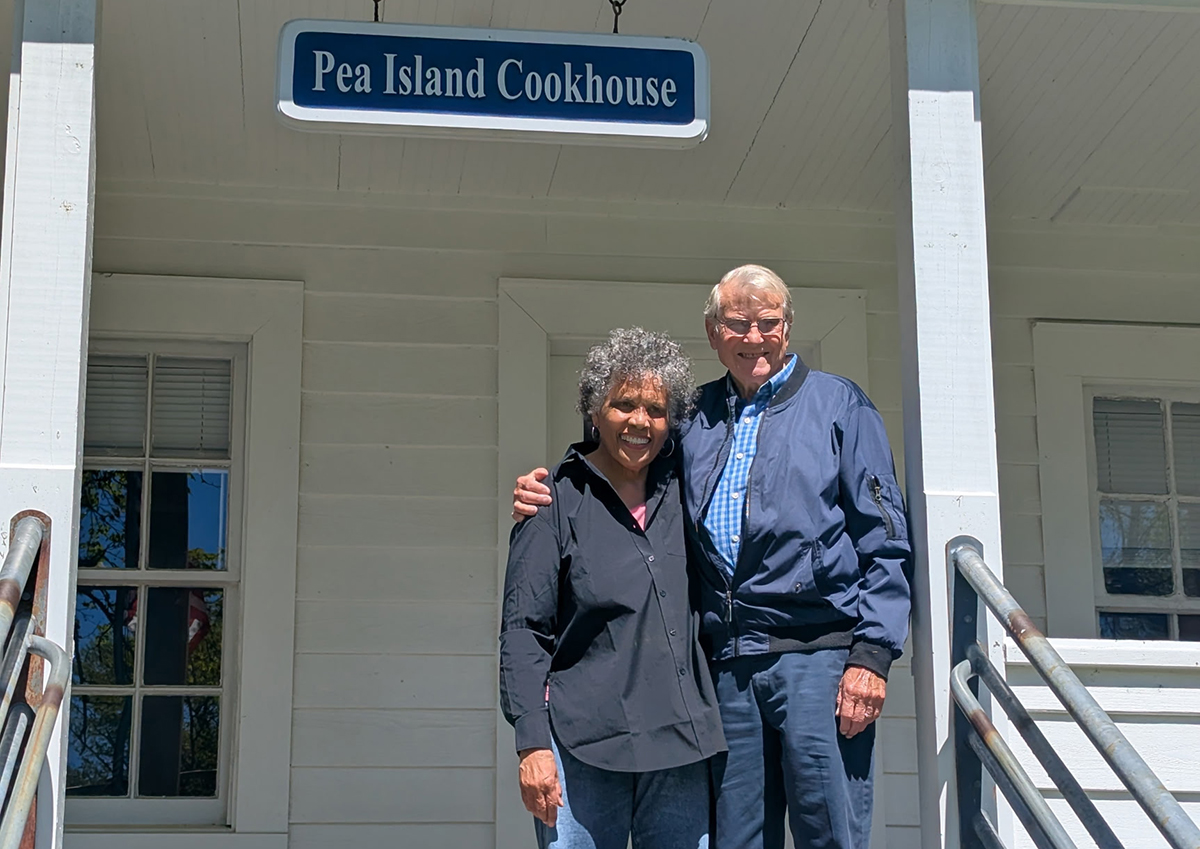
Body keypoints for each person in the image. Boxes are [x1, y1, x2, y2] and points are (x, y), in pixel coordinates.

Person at [513, 265, 913, 849]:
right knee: (737, 838)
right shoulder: (693, 417)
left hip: (818, 658)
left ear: (788, 325)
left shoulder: (839, 406)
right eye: (737, 323)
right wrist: (549, 489)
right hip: (725, 667)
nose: (754, 337)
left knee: (830, 832)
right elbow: (624, 451)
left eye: (768, 323)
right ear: (712, 332)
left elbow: (886, 538)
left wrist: (872, 656)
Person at [500, 327, 726, 849]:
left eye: (655, 408)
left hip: (680, 748)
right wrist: (532, 745)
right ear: (594, 410)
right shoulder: (551, 504)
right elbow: (523, 634)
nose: (640, 422)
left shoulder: (688, 493)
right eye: (624, 404)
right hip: (583, 743)